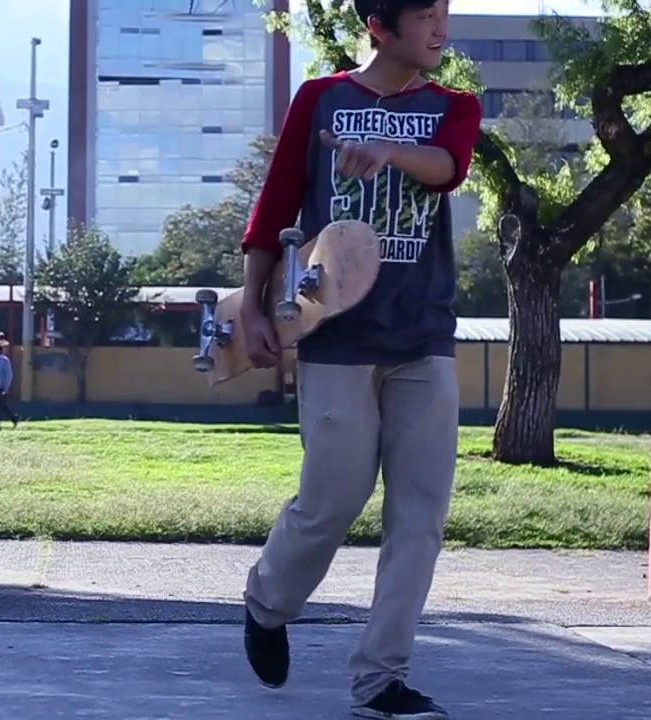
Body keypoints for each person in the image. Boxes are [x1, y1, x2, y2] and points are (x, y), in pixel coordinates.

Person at [236, 1, 481, 719]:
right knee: (333, 497)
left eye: (444, 13)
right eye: (426, 15)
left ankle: (381, 679)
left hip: (422, 337)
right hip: (335, 335)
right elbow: (275, 203)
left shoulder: (453, 105)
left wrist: (388, 152)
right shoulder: (320, 99)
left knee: (419, 514)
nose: (441, 28)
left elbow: (448, 168)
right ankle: (267, 600)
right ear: (380, 25)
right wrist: (253, 306)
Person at [0, 343, 19, 430]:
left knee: (2, 407)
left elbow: (9, 374)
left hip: (1, 387)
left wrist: (6, 387)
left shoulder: (4, 360)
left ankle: (14, 418)